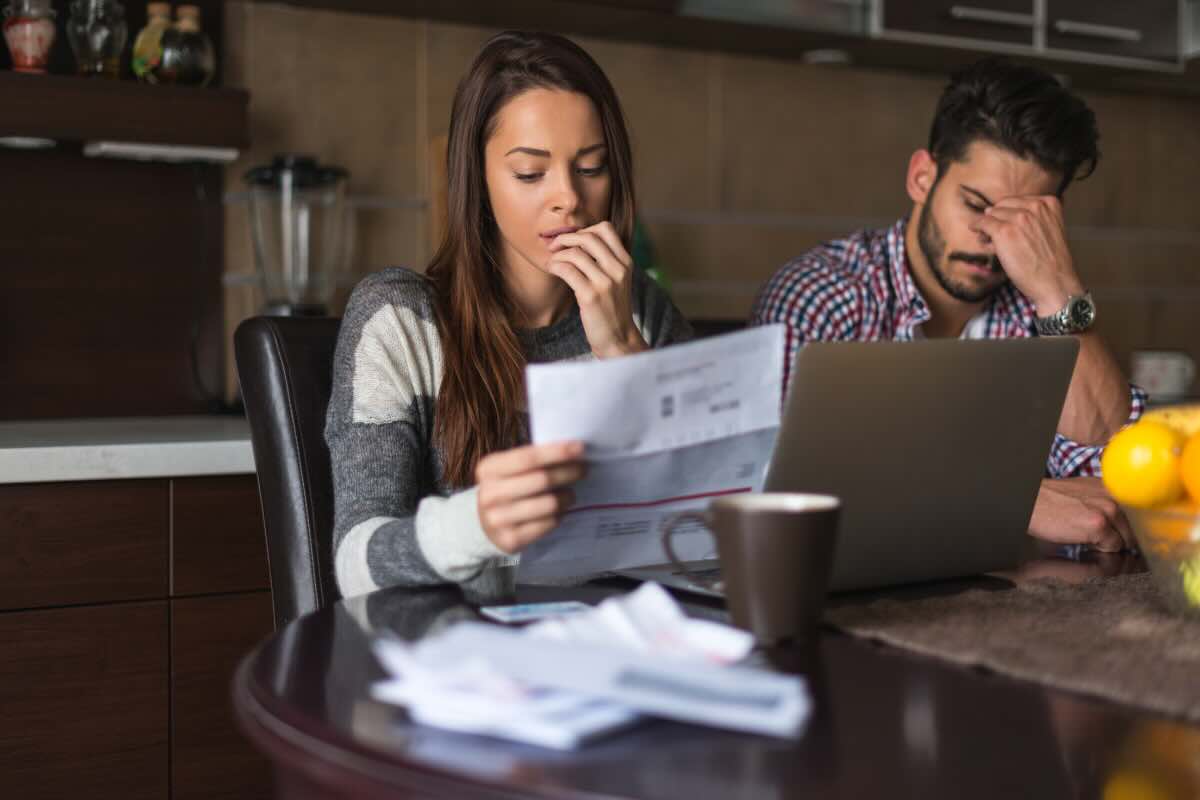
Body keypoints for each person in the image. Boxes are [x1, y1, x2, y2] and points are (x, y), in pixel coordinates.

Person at [326, 31, 691, 598]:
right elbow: (355, 565)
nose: (567, 197)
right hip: (460, 657)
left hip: (617, 645)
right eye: (529, 173)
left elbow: (704, 531)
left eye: (591, 168)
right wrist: (478, 525)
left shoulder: (642, 311)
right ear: (479, 179)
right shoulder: (401, 320)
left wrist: (622, 348)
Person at [751, 57, 1144, 554]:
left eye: (1021, 220)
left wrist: (1059, 291)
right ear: (922, 177)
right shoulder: (824, 295)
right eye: (977, 205)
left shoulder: (1040, 312)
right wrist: (1014, 501)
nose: (991, 238)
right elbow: (779, 498)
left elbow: (1130, 485)